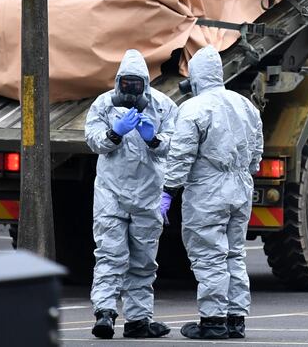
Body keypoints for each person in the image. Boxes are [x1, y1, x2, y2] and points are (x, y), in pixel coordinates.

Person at [160, 45, 264, 340]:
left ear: (195, 75)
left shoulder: (193, 108)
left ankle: (213, 321)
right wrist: (243, 171)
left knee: (209, 255)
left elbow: (181, 156)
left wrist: (168, 192)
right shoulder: (245, 106)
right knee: (234, 254)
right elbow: (257, 154)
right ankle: (235, 319)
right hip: (240, 186)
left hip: (208, 189)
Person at [85, 49, 176, 339]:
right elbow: (93, 140)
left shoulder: (162, 106)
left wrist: (154, 139)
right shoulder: (103, 105)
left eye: (137, 85)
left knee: (143, 260)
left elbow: (174, 144)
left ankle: (138, 320)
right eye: (126, 84)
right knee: (110, 254)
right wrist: (115, 133)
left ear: (146, 83)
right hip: (111, 193)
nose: (131, 90)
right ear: (118, 82)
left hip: (148, 194)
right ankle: (105, 313)